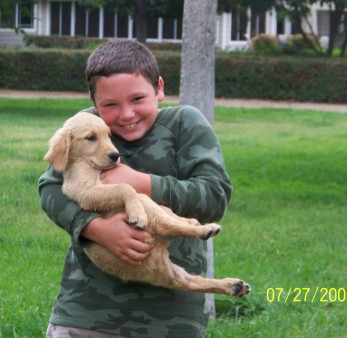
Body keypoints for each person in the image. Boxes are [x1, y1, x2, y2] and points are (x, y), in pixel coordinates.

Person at [39, 40, 232, 338]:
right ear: (94, 103)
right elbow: (50, 189)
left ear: (159, 88)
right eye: (110, 105)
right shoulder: (86, 129)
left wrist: (142, 183)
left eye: (138, 99)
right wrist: (96, 229)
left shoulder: (184, 124)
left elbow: (215, 195)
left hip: (170, 318)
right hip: (86, 312)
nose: (126, 114)